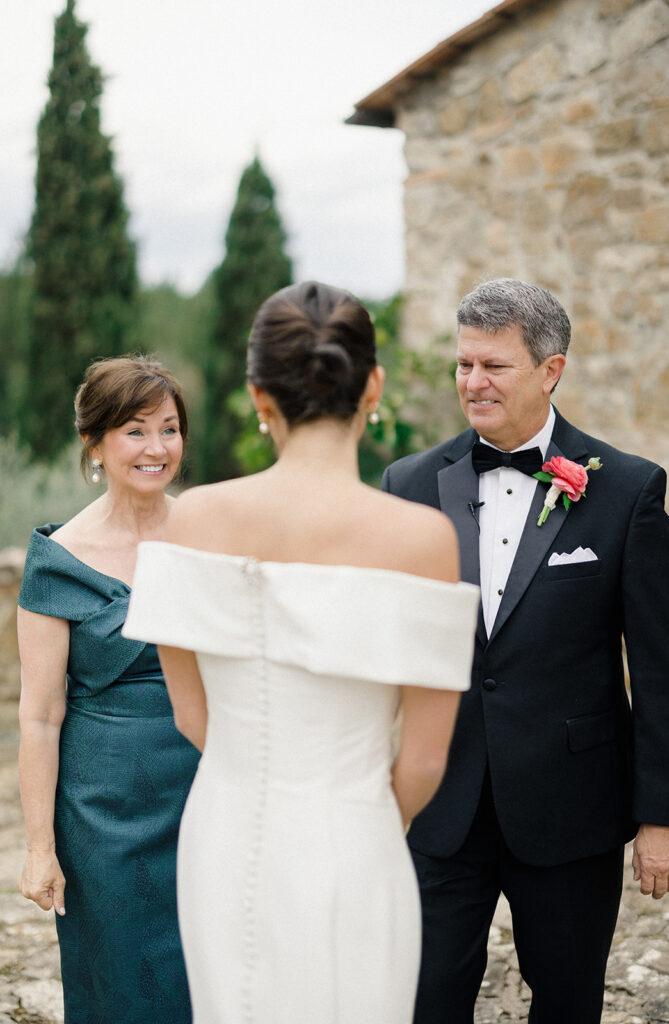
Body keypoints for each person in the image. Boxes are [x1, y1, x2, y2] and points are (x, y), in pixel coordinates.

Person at [122, 281, 480, 1023]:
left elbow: (192, 717)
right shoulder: (422, 540)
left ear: (259, 396)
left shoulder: (192, 522)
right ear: (372, 384)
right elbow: (422, 762)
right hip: (356, 833)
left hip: (222, 831)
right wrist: (355, 818)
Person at [382, 278, 669, 1024]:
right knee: (421, 1002)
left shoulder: (628, 492)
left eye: (494, 367)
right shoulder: (409, 485)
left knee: (567, 1005)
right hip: (439, 803)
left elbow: (663, 671)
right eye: (463, 366)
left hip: (571, 810)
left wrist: (663, 819)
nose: (472, 383)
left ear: (549, 370)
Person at [17, 356, 200, 1024]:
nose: (157, 449)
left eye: (169, 429)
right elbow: (38, 714)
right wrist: (40, 847)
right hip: (104, 817)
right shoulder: (58, 560)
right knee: (122, 985)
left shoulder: (211, 536)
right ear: (94, 442)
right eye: (135, 431)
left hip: (209, 797)